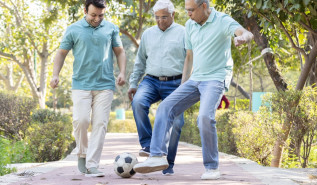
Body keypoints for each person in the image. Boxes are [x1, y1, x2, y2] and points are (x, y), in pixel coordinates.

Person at [133, 0, 253, 180]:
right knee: (165, 107)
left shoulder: (222, 21)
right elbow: (189, 56)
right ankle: (156, 156)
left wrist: (242, 37)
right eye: (186, 10)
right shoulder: (190, 25)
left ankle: (212, 167)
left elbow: (246, 32)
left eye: (191, 10)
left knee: (204, 117)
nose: (188, 14)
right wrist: (183, 85)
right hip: (195, 79)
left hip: (215, 78)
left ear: (204, 6)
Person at [50, 0, 126, 177]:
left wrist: (122, 72)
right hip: (81, 84)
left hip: (105, 84)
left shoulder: (111, 28)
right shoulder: (73, 29)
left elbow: (120, 51)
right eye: (93, 15)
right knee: (81, 120)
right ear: (85, 10)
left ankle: (92, 164)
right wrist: (55, 74)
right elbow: (61, 53)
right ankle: (82, 153)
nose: (97, 19)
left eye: (101, 15)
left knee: (100, 124)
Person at [128, 0, 186, 175]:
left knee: (177, 122)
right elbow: (140, 62)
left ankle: (168, 163)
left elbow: (191, 61)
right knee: (138, 102)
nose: (160, 21)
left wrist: (187, 84)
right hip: (151, 81)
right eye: (157, 17)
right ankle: (148, 144)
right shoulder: (148, 34)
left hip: (176, 82)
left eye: (164, 17)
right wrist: (133, 83)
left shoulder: (184, 33)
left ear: (173, 15)